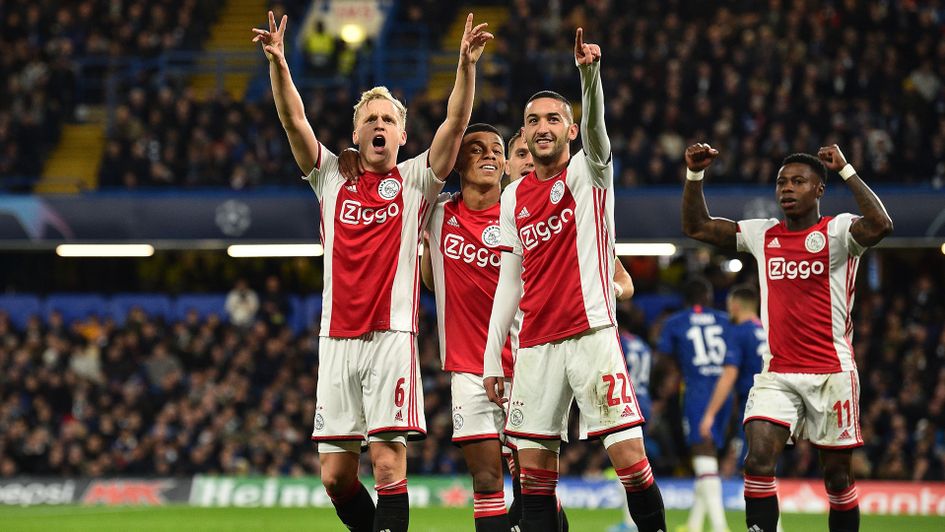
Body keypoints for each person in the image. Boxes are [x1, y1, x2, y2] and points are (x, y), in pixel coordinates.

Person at [253, 11, 492, 532]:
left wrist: (465, 68)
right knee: (336, 477)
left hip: (391, 336)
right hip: (336, 339)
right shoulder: (330, 176)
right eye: (371, 119)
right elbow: (294, 120)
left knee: (387, 462)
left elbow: (454, 124)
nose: (379, 125)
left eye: (388, 120)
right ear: (355, 133)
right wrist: (279, 63)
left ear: (404, 135)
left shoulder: (416, 180)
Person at [482, 28, 666, 532]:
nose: (542, 127)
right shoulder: (512, 198)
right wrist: (491, 354)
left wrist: (590, 78)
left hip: (591, 338)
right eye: (532, 120)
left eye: (553, 119)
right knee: (535, 481)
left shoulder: (590, 172)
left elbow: (600, 135)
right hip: (536, 347)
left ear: (569, 130)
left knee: (630, 462)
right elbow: (510, 282)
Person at [681, 142, 893, 532]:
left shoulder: (839, 231)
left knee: (838, 480)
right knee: (757, 462)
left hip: (832, 375)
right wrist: (695, 175)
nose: (787, 189)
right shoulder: (764, 234)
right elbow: (696, 227)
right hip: (777, 373)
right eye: (781, 183)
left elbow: (881, 225)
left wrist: (846, 170)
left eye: (798, 181)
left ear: (819, 190)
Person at [657, 277, 732, 532]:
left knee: (703, 455)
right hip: (726, 391)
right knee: (709, 460)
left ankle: (720, 527)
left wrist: (676, 371)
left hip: (697, 390)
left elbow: (663, 356)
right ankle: (695, 524)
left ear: (686, 300)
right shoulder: (725, 319)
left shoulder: (675, 322)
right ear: (708, 296)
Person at [699, 285, 768, 469]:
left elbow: (729, 375)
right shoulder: (769, 331)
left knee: (740, 462)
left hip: (752, 405)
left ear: (735, 305)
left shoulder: (739, 332)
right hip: (776, 404)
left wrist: (710, 415)